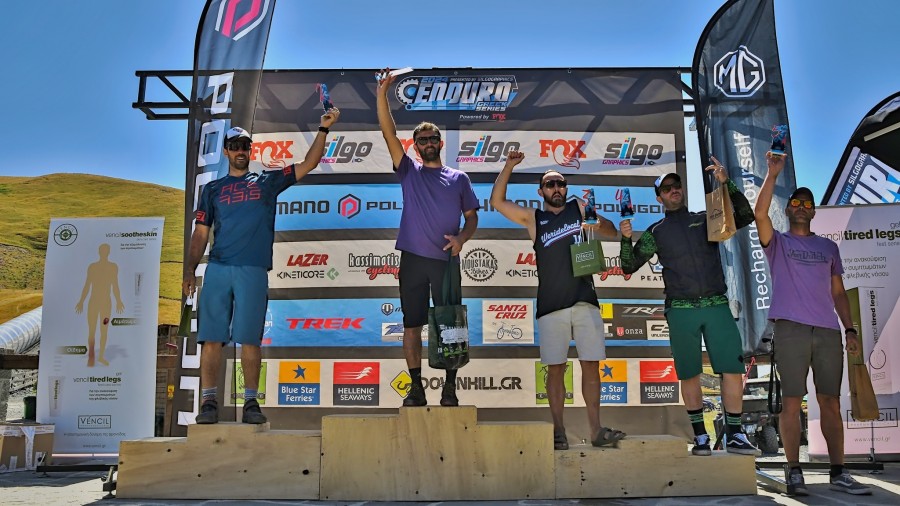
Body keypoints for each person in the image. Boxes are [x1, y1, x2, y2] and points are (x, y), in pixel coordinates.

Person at [183, 110, 340, 424]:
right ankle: (209, 402)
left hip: (253, 269)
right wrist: (189, 270)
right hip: (219, 268)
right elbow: (200, 232)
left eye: (245, 145)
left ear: (250, 150)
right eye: (234, 146)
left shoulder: (267, 181)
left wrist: (323, 129)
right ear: (226, 151)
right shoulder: (212, 190)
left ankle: (251, 402)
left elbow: (309, 164)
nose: (240, 150)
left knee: (249, 339)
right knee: (211, 339)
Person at [619, 159, 759, 456]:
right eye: (666, 188)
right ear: (659, 198)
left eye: (677, 186)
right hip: (680, 309)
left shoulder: (706, 218)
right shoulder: (656, 232)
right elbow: (628, 265)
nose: (674, 190)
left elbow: (746, 216)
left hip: (716, 304)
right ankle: (701, 436)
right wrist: (625, 239)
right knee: (689, 373)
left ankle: (735, 434)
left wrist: (726, 183)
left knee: (732, 369)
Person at [490, 152, 626, 450]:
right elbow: (497, 202)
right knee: (555, 369)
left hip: (585, 300)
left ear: (566, 188)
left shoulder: (580, 208)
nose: (556, 188)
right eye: (550, 184)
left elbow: (612, 232)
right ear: (541, 191)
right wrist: (509, 166)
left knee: (591, 365)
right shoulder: (534, 219)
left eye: (560, 183)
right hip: (551, 306)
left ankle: (596, 430)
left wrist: (594, 220)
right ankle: (559, 431)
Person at [755, 152, 871, 496]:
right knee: (792, 402)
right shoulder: (778, 242)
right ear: (788, 210)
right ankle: (794, 471)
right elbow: (759, 213)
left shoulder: (828, 247)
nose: (802, 206)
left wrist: (850, 329)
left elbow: (838, 292)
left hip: (827, 331)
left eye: (807, 203)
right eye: (796, 202)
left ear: (813, 211)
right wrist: (772, 174)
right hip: (790, 329)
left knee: (831, 402)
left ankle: (839, 472)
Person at [376, 68, 480, 407]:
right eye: (422, 140)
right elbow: (388, 132)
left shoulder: (459, 178)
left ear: (440, 142)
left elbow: (472, 217)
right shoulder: (409, 170)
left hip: (446, 260)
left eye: (433, 138)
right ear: (416, 146)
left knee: (450, 324)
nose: (429, 143)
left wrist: (462, 239)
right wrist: (382, 93)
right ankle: (416, 388)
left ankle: (450, 388)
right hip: (413, 260)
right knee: (412, 325)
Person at [75, 243, 125, 367]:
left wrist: (119, 301)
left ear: (108, 252)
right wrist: (81, 301)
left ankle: (101, 356)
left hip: (106, 303)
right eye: (103, 251)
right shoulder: (93, 267)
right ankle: (91, 356)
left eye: (105, 251)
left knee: (104, 330)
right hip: (94, 302)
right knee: (92, 330)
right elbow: (87, 285)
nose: (104, 253)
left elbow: (115, 285)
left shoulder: (113, 267)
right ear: (100, 252)